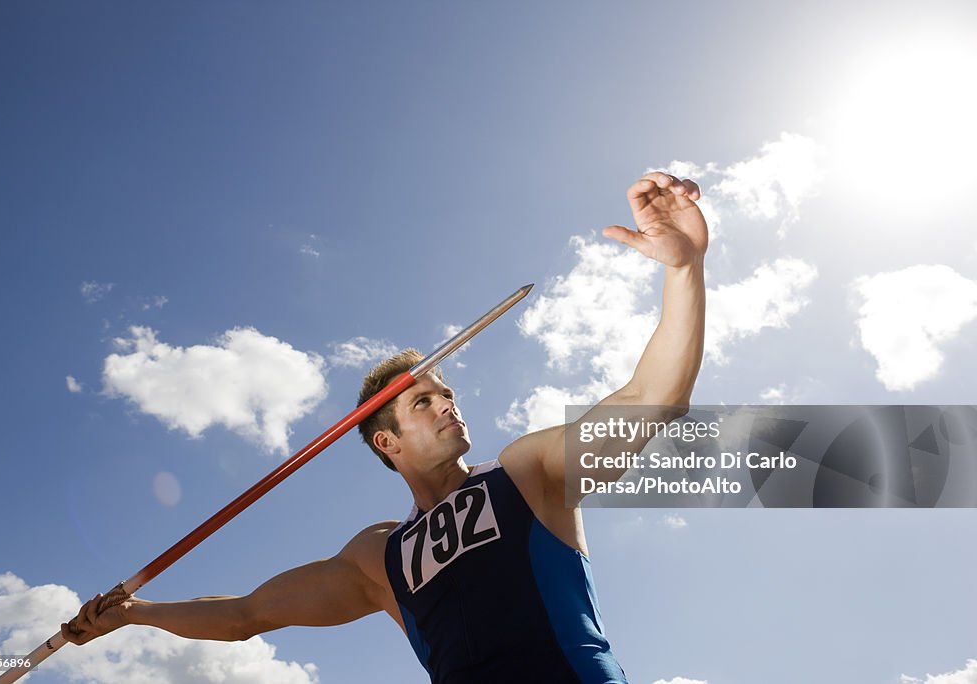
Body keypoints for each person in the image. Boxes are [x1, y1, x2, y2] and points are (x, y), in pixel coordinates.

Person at [62, 171, 708, 683]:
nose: (448, 404)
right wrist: (133, 616)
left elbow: (655, 396)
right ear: (386, 442)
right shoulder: (378, 557)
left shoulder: (527, 473)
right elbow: (245, 615)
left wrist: (683, 272)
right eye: (422, 403)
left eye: (447, 392)